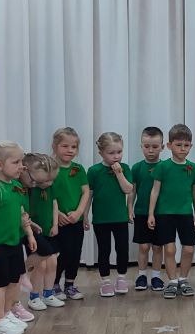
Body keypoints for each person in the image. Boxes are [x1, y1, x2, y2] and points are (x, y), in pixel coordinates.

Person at [0, 142, 37, 334]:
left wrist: (29, 234)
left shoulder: (17, 186)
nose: (22, 166)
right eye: (16, 162)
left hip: (13, 241)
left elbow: (22, 214)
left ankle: (7, 313)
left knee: (14, 280)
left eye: (21, 161)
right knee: (1, 282)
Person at [148, 124, 195, 299]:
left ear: (191, 146)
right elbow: (155, 191)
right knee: (170, 249)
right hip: (165, 214)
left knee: (189, 249)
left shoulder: (193, 168)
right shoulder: (163, 167)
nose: (182, 148)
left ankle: (183, 280)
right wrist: (151, 213)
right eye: (178, 145)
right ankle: (172, 281)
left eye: (186, 145)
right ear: (169, 145)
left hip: (185, 214)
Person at [87, 131, 134, 298]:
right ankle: (105, 281)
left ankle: (121, 278)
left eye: (119, 152)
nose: (116, 156)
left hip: (120, 218)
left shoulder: (125, 168)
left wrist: (119, 173)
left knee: (122, 248)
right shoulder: (94, 171)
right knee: (104, 250)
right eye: (111, 153)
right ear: (101, 153)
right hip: (101, 219)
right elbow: (89, 195)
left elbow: (128, 189)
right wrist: (85, 216)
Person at [51, 127, 90, 301]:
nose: (70, 150)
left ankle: (70, 284)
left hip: (75, 220)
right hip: (57, 221)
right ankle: (53, 284)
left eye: (73, 147)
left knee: (74, 252)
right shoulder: (50, 169)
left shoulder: (78, 169)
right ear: (55, 146)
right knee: (60, 253)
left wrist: (79, 212)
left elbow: (85, 192)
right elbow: (46, 195)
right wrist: (57, 214)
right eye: (65, 146)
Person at [21, 152, 62, 311]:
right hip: (34, 232)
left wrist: (55, 224)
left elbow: (54, 204)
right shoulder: (29, 188)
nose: (48, 183)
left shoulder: (50, 187)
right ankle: (34, 297)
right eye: (44, 180)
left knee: (53, 262)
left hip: (48, 230)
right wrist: (30, 226)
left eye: (52, 180)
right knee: (41, 264)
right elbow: (23, 211)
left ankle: (48, 294)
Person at [132, 126, 165, 291]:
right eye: (146, 146)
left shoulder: (165, 167)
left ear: (162, 147)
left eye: (155, 146)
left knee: (158, 246)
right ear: (141, 146)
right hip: (141, 212)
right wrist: (129, 208)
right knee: (144, 246)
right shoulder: (137, 168)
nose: (150, 150)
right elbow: (132, 190)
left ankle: (156, 276)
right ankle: (142, 275)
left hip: (162, 213)